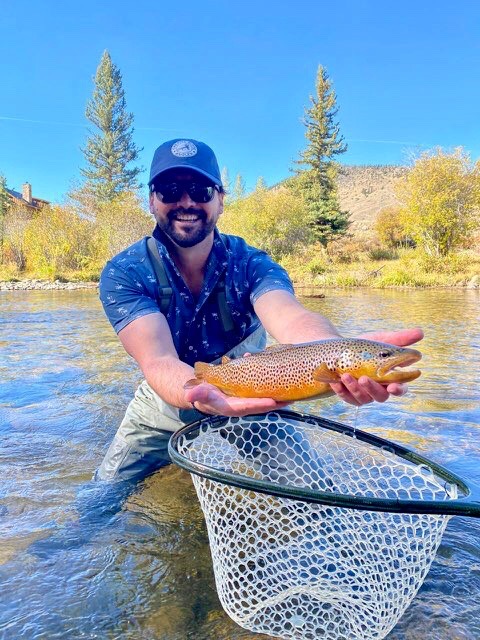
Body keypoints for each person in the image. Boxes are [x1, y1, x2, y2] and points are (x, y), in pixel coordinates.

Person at [95, 138, 423, 482]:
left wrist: (338, 352)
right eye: (169, 189)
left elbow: (292, 318)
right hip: (166, 396)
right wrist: (198, 392)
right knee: (104, 495)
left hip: (255, 389)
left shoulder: (251, 263)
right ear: (151, 200)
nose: (186, 201)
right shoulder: (125, 272)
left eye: (201, 190)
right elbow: (158, 361)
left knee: (309, 486)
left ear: (220, 200)